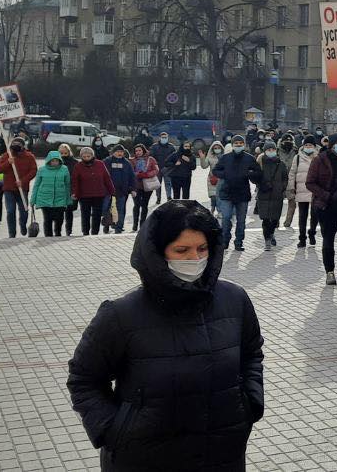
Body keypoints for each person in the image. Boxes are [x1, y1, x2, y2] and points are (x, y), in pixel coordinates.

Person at [66, 200, 265, 471]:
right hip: (143, 459)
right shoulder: (122, 314)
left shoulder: (234, 299)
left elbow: (251, 353)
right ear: (158, 253)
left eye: (202, 249)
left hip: (221, 454)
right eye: (182, 250)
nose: (195, 259)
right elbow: (84, 378)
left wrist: (250, 402)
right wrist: (114, 429)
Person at [307, 133, 337, 284]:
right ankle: (329, 271)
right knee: (328, 239)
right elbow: (310, 183)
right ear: (331, 145)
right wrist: (326, 195)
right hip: (327, 206)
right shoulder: (320, 160)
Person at [212, 135, 263, 252]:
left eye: (240, 143)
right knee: (226, 217)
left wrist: (249, 174)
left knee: (241, 220)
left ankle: (239, 242)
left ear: (244, 145)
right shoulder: (226, 158)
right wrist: (225, 174)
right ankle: (225, 240)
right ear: (232, 145)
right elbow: (216, 170)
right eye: (236, 143)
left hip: (242, 194)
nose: (238, 145)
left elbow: (258, 173)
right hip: (227, 193)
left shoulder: (249, 158)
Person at [0, 138, 37, 238]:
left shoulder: (29, 157)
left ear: (23, 146)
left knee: (24, 211)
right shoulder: (7, 155)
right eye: (14, 145)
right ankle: (12, 233)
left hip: (22, 189)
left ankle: (22, 225)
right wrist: (8, 163)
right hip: (9, 189)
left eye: (18, 145)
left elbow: (33, 171)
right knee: (10, 211)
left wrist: (22, 181)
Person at [72, 146, 115, 237]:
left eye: (88, 156)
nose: (87, 158)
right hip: (84, 195)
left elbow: (106, 178)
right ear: (81, 157)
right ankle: (85, 232)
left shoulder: (100, 164)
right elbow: (75, 181)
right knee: (85, 215)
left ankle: (95, 232)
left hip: (98, 194)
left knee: (97, 215)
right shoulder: (78, 166)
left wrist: (112, 190)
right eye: (84, 156)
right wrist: (75, 193)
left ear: (92, 155)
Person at [254, 140, 289, 250]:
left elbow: (285, 178)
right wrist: (261, 185)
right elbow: (255, 177)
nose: (271, 151)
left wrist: (281, 188)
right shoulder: (260, 163)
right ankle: (267, 241)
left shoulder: (281, 164)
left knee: (274, 219)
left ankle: (271, 233)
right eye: (269, 150)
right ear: (264, 151)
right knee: (265, 219)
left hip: (276, 195)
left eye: (273, 149)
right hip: (263, 195)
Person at [32, 151, 74, 238]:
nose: (55, 162)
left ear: (60, 161)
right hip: (45, 198)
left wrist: (68, 199)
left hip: (60, 198)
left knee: (59, 219)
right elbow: (36, 185)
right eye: (53, 160)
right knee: (48, 219)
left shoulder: (64, 169)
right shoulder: (42, 170)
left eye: (56, 160)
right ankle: (48, 236)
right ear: (49, 161)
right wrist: (33, 199)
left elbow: (67, 184)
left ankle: (58, 233)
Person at [288, 137, 318, 248]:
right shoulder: (297, 158)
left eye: (311, 145)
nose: (308, 147)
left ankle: (312, 233)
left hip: (315, 191)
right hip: (301, 190)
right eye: (306, 145)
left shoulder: (318, 158)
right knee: (302, 216)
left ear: (314, 147)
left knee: (315, 215)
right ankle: (302, 238)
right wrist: (291, 188)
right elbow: (292, 174)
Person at [105, 146, 135, 234]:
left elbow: (132, 177)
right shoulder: (107, 161)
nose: (119, 153)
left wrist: (133, 189)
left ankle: (119, 227)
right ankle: (107, 225)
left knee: (120, 210)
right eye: (117, 151)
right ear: (113, 152)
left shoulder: (127, 163)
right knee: (107, 209)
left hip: (122, 191)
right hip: (108, 190)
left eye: (121, 152)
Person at [129, 144, 161, 231]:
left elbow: (156, 170)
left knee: (145, 205)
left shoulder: (151, 159)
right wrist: (137, 174)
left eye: (139, 150)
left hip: (148, 185)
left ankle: (142, 224)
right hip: (136, 185)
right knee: (136, 205)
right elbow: (130, 172)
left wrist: (146, 174)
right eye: (136, 151)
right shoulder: (131, 160)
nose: (138, 152)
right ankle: (135, 225)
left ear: (143, 150)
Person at [56, 143, 80, 235]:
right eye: (61, 153)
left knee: (69, 212)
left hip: (70, 191)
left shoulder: (75, 163)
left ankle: (68, 231)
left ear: (69, 152)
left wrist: (75, 192)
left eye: (65, 153)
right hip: (59, 191)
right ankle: (58, 231)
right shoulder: (55, 162)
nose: (63, 155)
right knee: (59, 213)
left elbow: (78, 179)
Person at [150, 132, 177, 203]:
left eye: (165, 137)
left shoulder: (171, 147)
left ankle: (169, 197)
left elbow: (175, 158)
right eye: (163, 137)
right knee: (158, 184)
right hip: (158, 168)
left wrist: (171, 165)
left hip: (168, 168)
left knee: (168, 183)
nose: (164, 139)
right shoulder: (154, 146)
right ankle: (158, 198)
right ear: (160, 138)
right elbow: (151, 157)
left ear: (167, 138)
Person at [201, 141, 224, 213]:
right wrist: (202, 159)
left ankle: (220, 211)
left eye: (218, 148)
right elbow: (204, 166)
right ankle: (213, 208)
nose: (217, 149)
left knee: (220, 196)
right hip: (212, 179)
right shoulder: (209, 157)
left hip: (222, 179)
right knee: (213, 196)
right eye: (215, 148)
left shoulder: (225, 156)